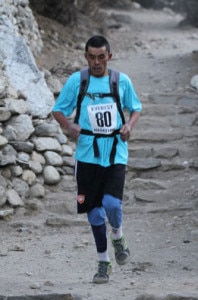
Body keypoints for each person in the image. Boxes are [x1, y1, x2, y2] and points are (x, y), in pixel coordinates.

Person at [52, 35, 142, 284]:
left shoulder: (121, 81)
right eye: (91, 57)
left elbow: (136, 108)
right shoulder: (77, 81)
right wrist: (68, 125)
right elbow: (58, 109)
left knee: (112, 205)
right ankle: (103, 263)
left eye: (101, 57)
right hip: (86, 155)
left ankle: (118, 236)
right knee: (93, 215)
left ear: (109, 57)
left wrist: (129, 126)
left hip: (115, 153)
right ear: (86, 57)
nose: (96, 62)